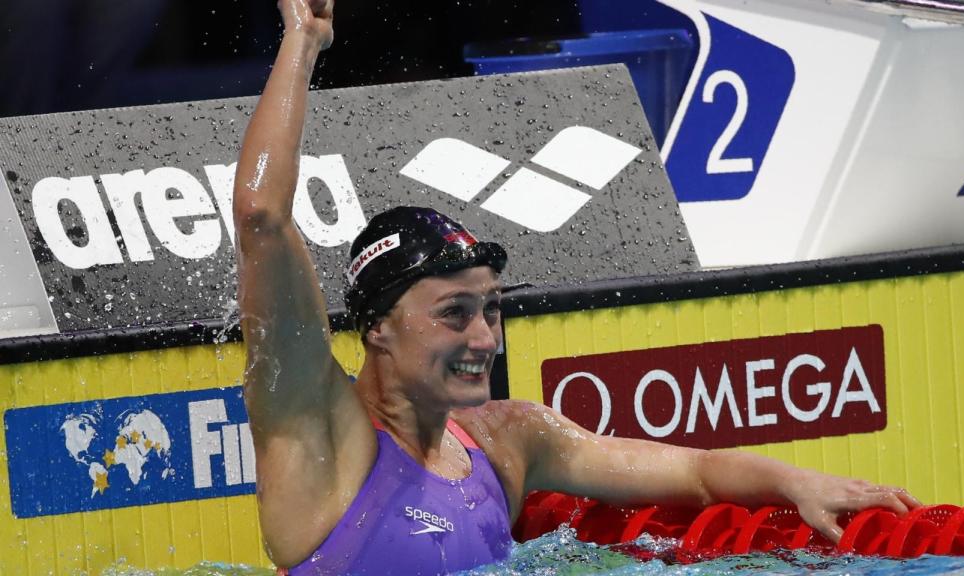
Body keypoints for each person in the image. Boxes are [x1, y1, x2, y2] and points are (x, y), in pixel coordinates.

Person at [233, 1, 921, 574]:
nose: (483, 339)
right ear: (377, 326)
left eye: (491, 311)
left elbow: (695, 475)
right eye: (455, 314)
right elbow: (263, 215)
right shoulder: (318, 437)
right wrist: (304, 41)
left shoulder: (507, 439)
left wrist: (795, 482)